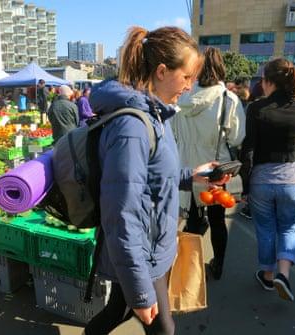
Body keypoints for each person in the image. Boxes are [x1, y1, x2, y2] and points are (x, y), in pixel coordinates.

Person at [83, 26, 230, 335]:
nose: (190, 87)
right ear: (162, 71)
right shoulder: (132, 127)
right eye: (187, 77)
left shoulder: (154, 117)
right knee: (163, 329)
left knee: (117, 310)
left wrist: (193, 177)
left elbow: (152, 178)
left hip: (150, 246)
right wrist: (139, 289)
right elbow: (122, 213)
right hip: (142, 251)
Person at [171, 47, 245, 280]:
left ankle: (188, 271)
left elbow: (172, 133)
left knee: (190, 220)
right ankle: (218, 264)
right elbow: (237, 137)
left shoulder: (182, 97)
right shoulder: (229, 99)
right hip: (215, 171)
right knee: (217, 220)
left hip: (187, 169)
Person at [240, 58, 295, 302]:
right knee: (289, 226)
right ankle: (284, 274)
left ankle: (267, 274)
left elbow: (248, 150)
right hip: (292, 179)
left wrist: (245, 186)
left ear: (268, 82)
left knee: (266, 228)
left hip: (262, 179)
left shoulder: (256, 108)